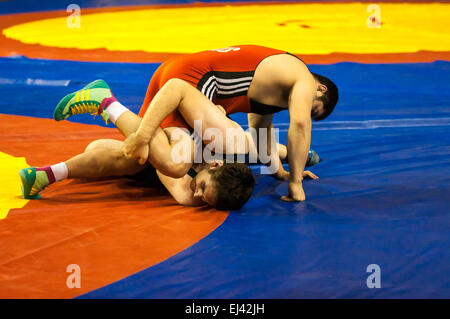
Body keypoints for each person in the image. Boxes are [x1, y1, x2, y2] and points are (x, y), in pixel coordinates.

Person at [125, 45, 337, 202]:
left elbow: (260, 133)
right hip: (187, 81)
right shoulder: (304, 78)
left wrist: (280, 173)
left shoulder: (276, 84)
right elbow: (300, 125)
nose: (304, 112)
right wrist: (296, 183)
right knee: (181, 173)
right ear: (320, 90)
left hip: (179, 73)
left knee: (140, 162)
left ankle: (118, 117)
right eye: (312, 110)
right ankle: (110, 106)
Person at [19, 81, 256, 210]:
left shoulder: (188, 194)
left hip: (154, 156)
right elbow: (273, 151)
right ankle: (106, 102)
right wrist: (289, 171)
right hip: (167, 114)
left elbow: (163, 164)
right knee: (172, 161)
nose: (197, 193)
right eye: (203, 188)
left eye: (205, 200)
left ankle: (45, 173)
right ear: (215, 164)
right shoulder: (233, 145)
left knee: (97, 149)